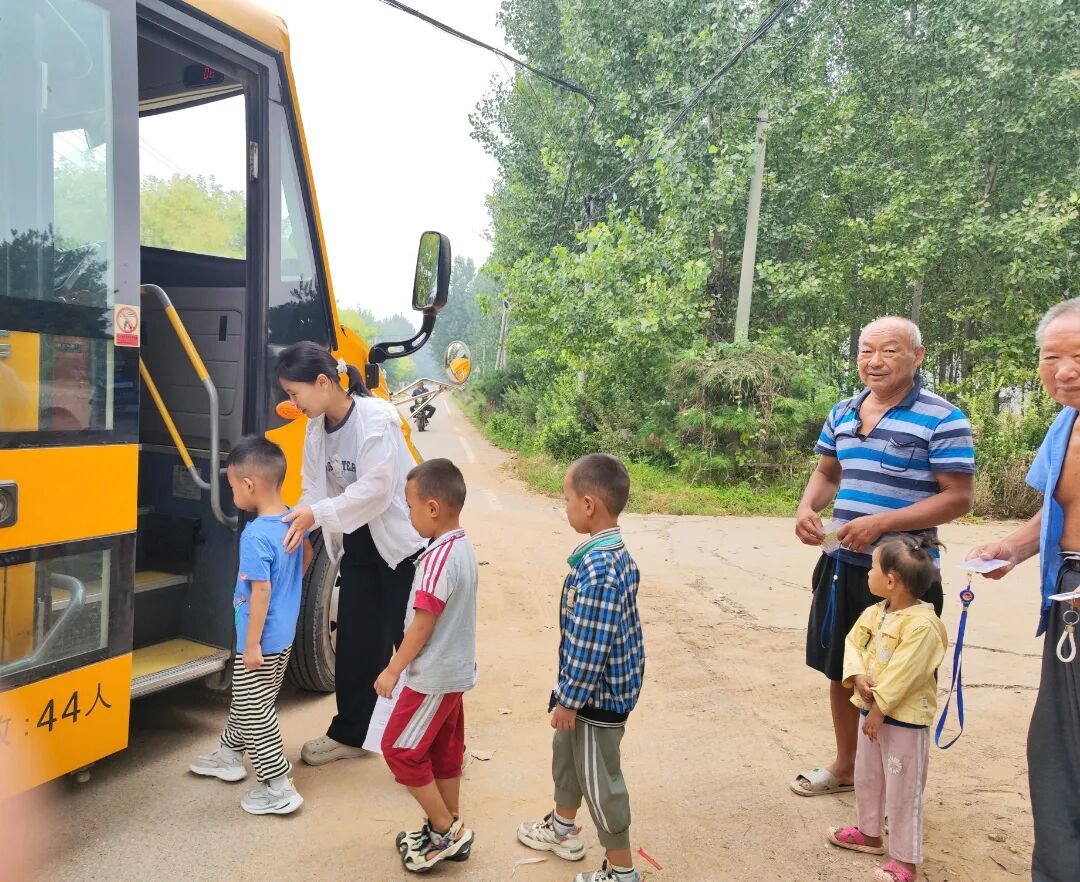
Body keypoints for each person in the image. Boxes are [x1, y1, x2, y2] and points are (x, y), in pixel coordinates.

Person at [791, 316, 974, 797]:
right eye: (866, 351)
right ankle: (847, 767)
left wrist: (883, 524)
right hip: (842, 564)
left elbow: (958, 497)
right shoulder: (844, 411)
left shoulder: (943, 418)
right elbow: (828, 473)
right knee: (843, 666)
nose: (874, 361)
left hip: (906, 576)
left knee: (902, 679)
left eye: (889, 351)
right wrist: (807, 507)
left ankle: (895, 786)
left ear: (918, 356)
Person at [967, 299, 1080, 882]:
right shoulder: (1066, 423)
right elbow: (1056, 512)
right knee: (1057, 748)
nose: (1064, 370)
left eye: (1078, 355)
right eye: (1051, 357)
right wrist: (1011, 548)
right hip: (1068, 596)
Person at [275, 342, 425, 766]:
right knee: (358, 641)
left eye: (294, 393)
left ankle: (437, 741)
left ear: (323, 382)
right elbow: (312, 488)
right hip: (358, 544)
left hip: (401, 546)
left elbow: (376, 493)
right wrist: (304, 520)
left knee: (414, 644)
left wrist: (316, 513)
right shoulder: (315, 427)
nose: (292, 404)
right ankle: (352, 733)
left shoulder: (376, 417)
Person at [517, 453, 645, 882]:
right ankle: (563, 829)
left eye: (567, 499)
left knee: (600, 780)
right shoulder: (605, 555)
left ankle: (623, 871)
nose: (566, 507)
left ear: (589, 505)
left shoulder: (599, 569)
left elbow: (592, 646)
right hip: (584, 694)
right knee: (567, 760)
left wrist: (569, 700)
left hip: (595, 700)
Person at [189, 435, 306, 815]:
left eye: (232, 485)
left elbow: (260, 592)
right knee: (250, 699)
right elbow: (304, 560)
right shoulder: (291, 520)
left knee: (257, 710)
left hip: (260, 639)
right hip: (282, 635)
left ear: (249, 485)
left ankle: (277, 785)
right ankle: (228, 755)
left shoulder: (255, 535)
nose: (233, 492)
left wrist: (251, 643)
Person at [826, 535, 948, 882]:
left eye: (872, 568)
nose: (867, 574)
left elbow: (906, 673)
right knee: (868, 776)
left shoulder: (922, 626)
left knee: (903, 786)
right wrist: (858, 673)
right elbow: (854, 642)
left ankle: (905, 861)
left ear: (891, 581)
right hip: (872, 714)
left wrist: (878, 708)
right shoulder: (875, 613)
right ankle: (869, 833)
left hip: (904, 722)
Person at [376, 458, 478, 872]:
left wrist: (393, 669)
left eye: (410, 505)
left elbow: (421, 625)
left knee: (398, 748)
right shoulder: (462, 547)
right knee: (443, 752)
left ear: (433, 508)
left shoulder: (436, 560)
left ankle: (445, 829)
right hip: (454, 675)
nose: (408, 513)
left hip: (432, 677)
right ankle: (446, 826)